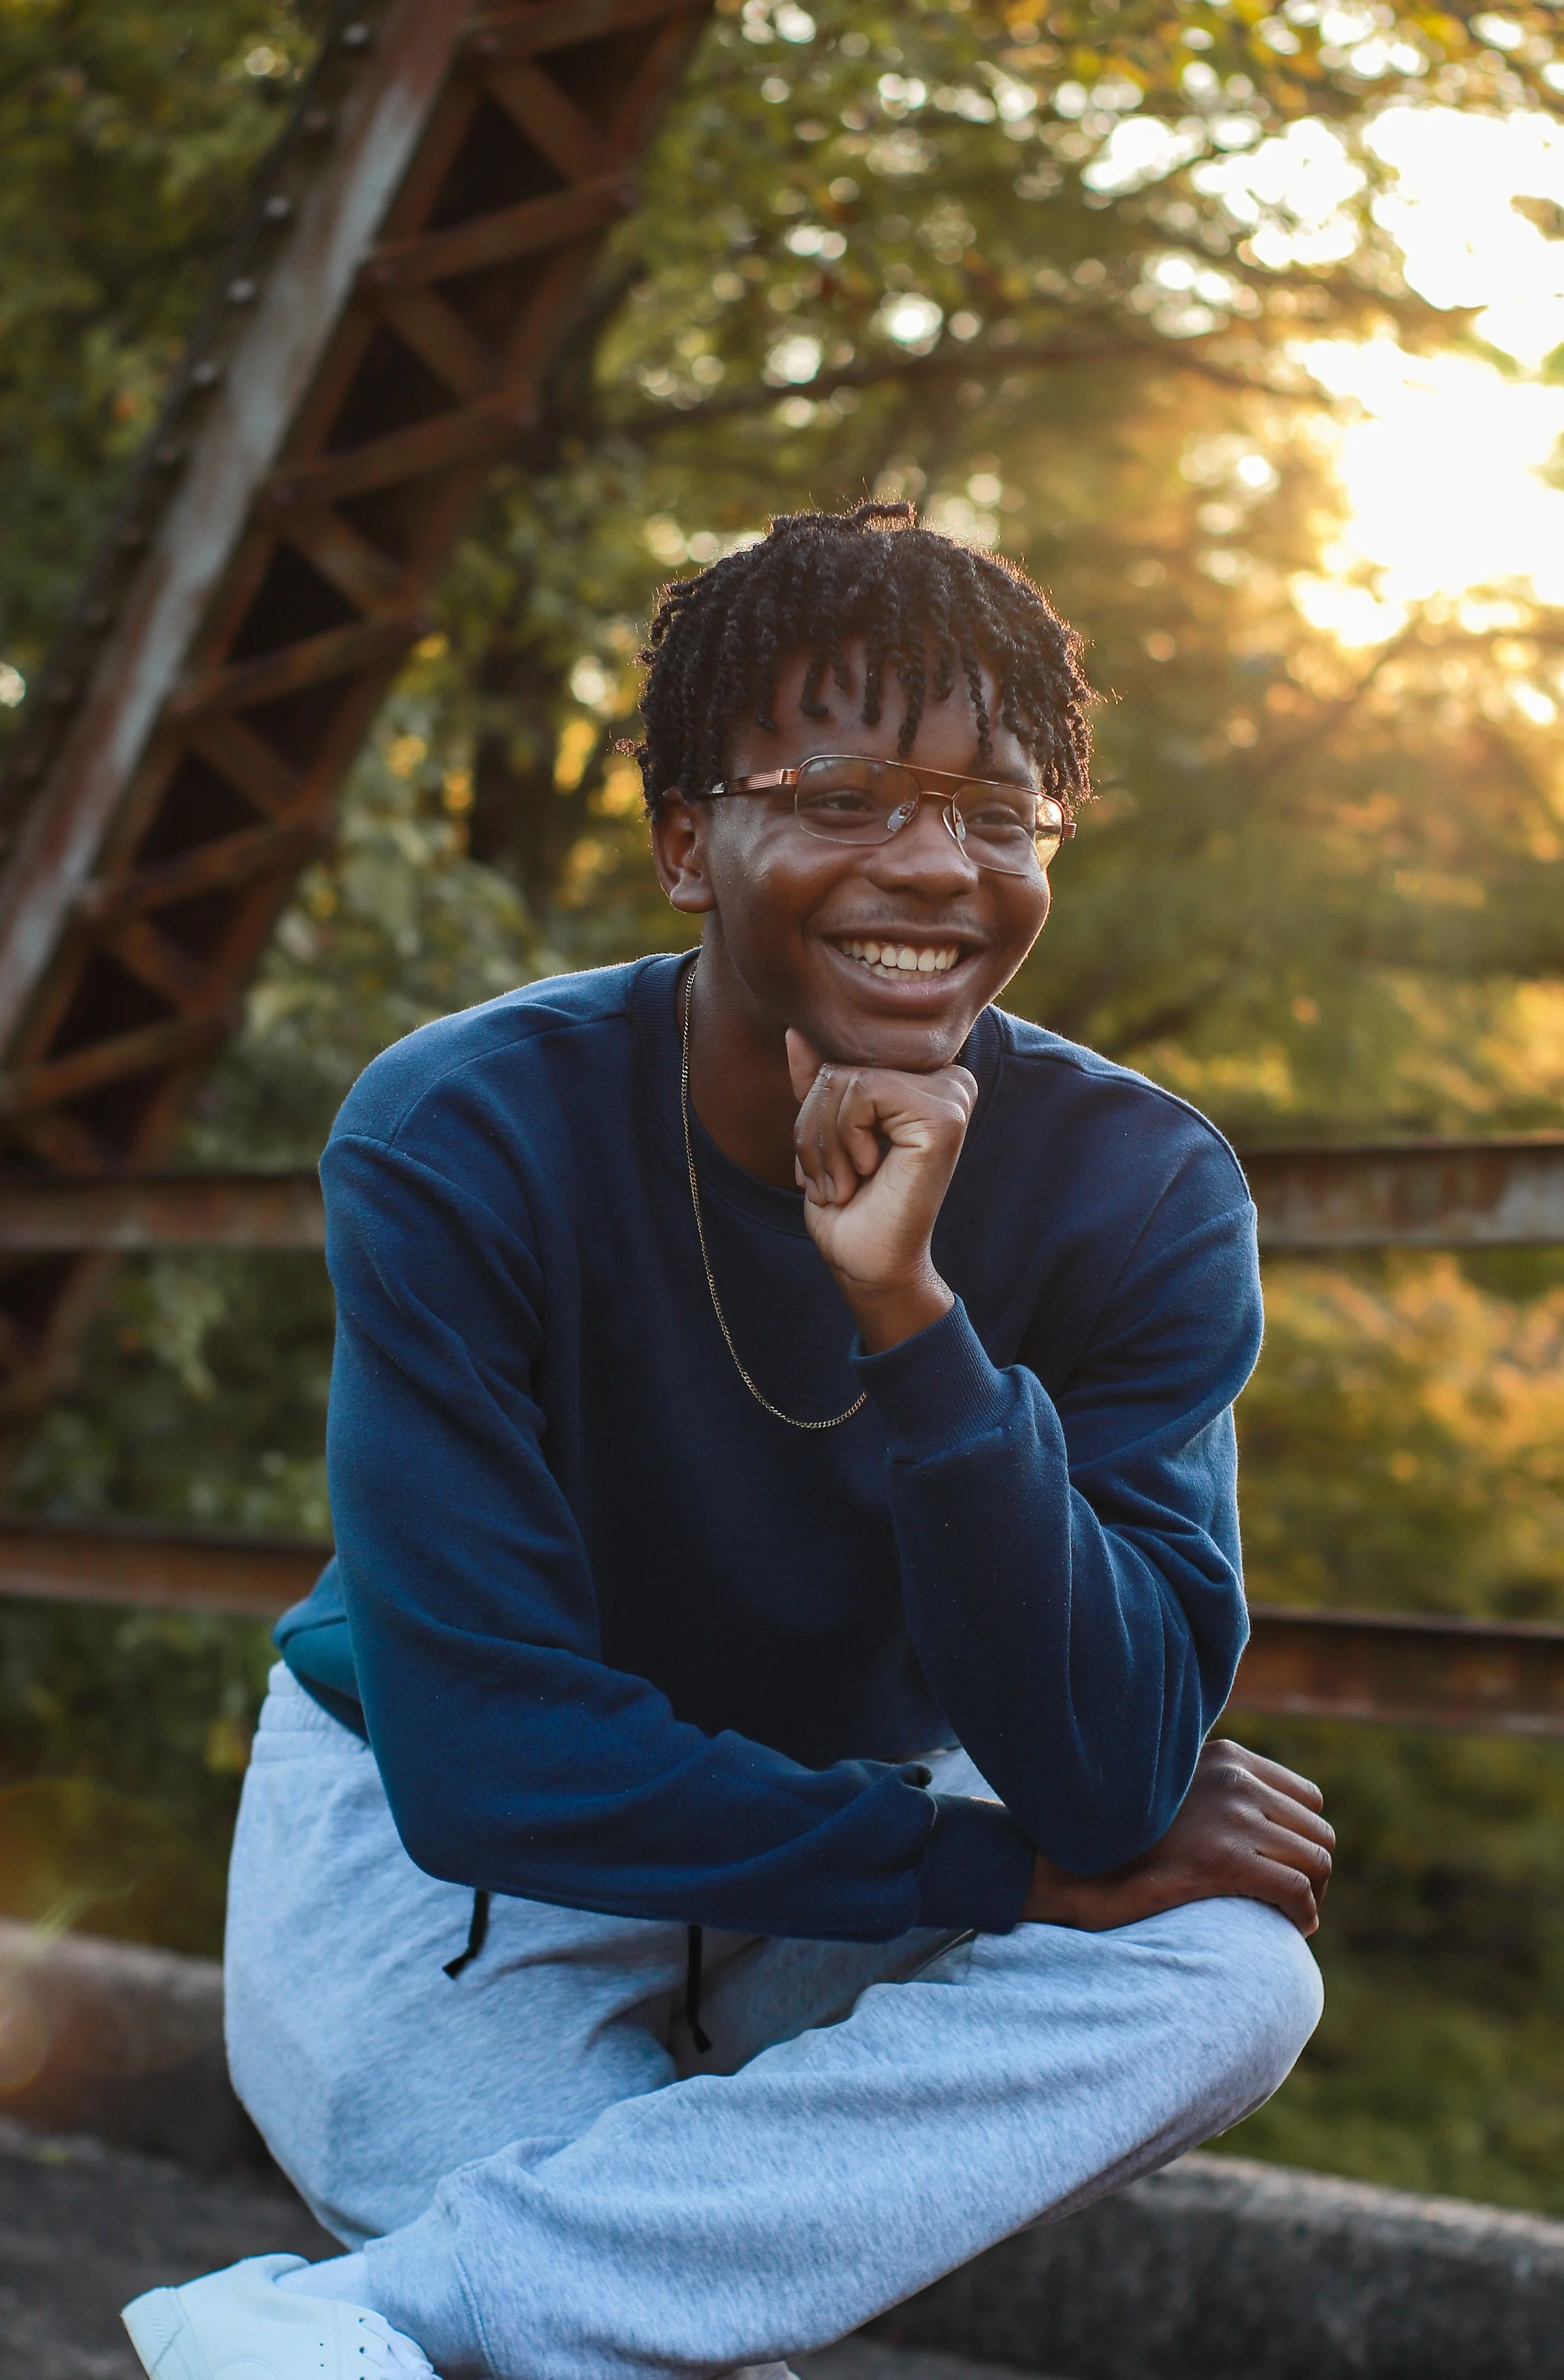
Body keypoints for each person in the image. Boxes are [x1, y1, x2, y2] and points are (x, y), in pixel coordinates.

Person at [123, 504, 1332, 2380]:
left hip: (820, 1830)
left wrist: (914, 1324)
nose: (932, 864)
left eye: (995, 813)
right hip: (447, 1864)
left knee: (1233, 1970)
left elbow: (1106, 1780)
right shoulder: (462, 1132)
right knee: (656, 2328)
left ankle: (352, 2327)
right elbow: (492, 1759)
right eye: (843, 794)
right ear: (688, 843)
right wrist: (988, 1875)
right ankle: (507, 2300)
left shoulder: (1142, 1188)